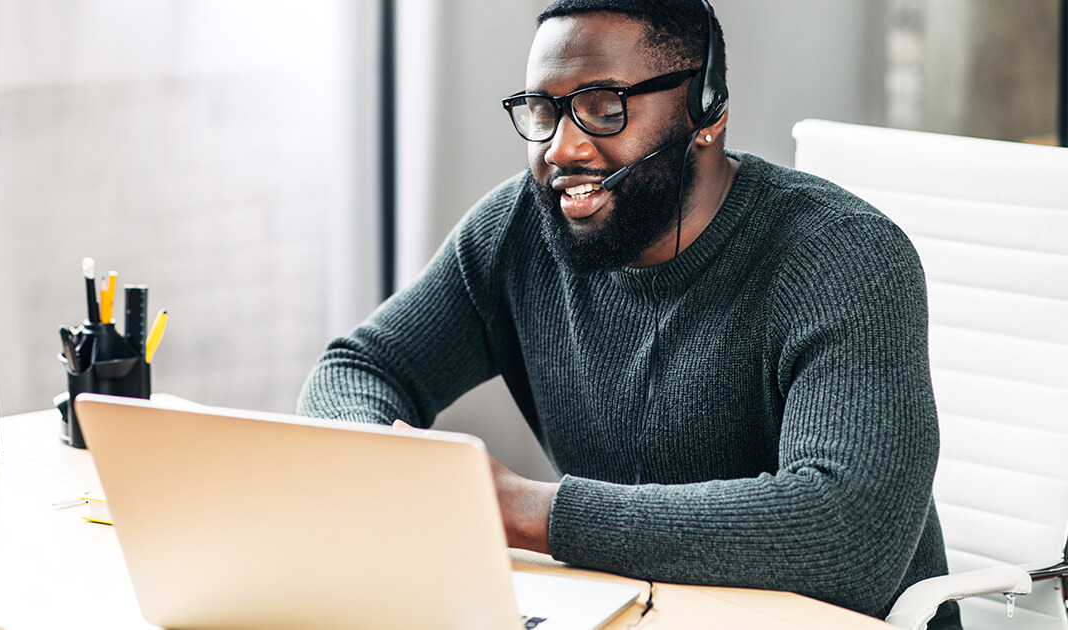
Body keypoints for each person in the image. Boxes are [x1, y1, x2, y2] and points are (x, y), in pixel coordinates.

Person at [298, 0, 959, 626]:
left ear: (707, 113)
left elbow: (845, 537)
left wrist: (526, 512)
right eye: (542, 110)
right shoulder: (518, 230)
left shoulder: (843, 256)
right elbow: (359, 365)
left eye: (602, 108)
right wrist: (391, 474)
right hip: (639, 611)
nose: (562, 148)